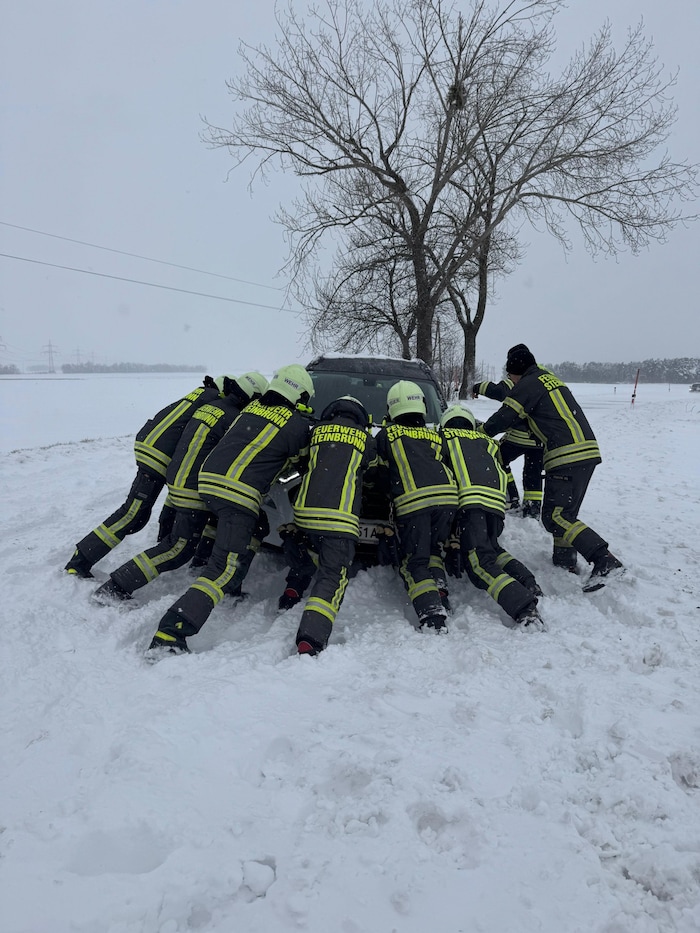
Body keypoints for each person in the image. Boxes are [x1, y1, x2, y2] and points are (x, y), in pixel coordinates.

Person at [146, 364, 314, 656]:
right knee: (223, 567)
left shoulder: (250, 410)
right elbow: (303, 462)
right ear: (299, 394)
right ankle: (171, 631)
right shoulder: (297, 424)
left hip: (208, 483)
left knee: (257, 525)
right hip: (238, 492)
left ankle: (227, 580)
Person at [91, 372, 268, 603]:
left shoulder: (213, 405)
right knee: (177, 548)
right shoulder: (234, 418)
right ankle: (116, 587)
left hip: (179, 478)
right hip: (192, 487)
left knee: (192, 533)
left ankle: (201, 562)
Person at [482, 344, 624, 591]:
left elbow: (505, 417)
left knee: (554, 516)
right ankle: (564, 559)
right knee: (565, 514)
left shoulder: (527, 384)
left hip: (565, 454)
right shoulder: (550, 380)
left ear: (516, 372)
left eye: (510, 376)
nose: (510, 381)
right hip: (586, 451)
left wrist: (478, 434)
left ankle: (604, 560)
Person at [64, 375, 224, 579]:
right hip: (158, 457)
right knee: (132, 514)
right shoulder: (215, 401)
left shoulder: (200, 394)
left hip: (151, 447)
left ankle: (162, 540)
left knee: (138, 513)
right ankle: (80, 560)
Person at [276, 396, 377, 656]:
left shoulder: (316, 431)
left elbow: (301, 462)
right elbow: (374, 469)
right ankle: (311, 638)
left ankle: (291, 591)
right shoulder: (366, 438)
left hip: (305, 512)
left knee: (307, 550)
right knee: (332, 576)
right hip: (339, 518)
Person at [440, 404, 544, 630]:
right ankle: (527, 581)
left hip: (470, 502)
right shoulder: (488, 442)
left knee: (479, 564)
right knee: (491, 548)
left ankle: (524, 607)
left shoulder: (443, 438)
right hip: (494, 506)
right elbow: (503, 473)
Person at [374, 380, 458, 632]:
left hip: (414, 504)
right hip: (447, 500)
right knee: (433, 549)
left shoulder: (387, 435)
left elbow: (378, 475)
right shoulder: (433, 435)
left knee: (414, 561)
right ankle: (439, 588)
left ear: (391, 409)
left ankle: (432, 614)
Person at [472, 377, 544, 517]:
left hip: (520, 435)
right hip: (538, 438)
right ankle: (533, 508)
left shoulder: (518, 381)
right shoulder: (541, 382)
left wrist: (476, 387)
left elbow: (497, 390)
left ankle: (511, 498)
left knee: (499, 458)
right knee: (533, 471)